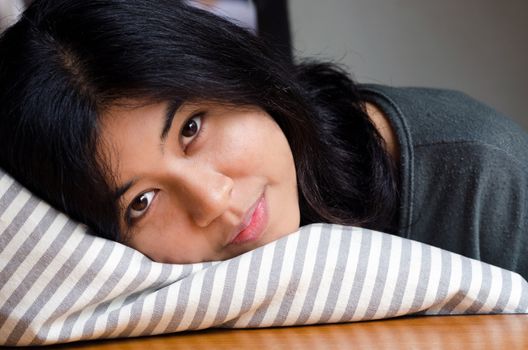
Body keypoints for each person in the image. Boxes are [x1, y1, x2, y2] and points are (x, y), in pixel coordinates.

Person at [0, 0, 526, 277]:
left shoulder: (482, 173)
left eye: (191, 129)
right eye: (141, 201)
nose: (211, 201)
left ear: (236, 76)